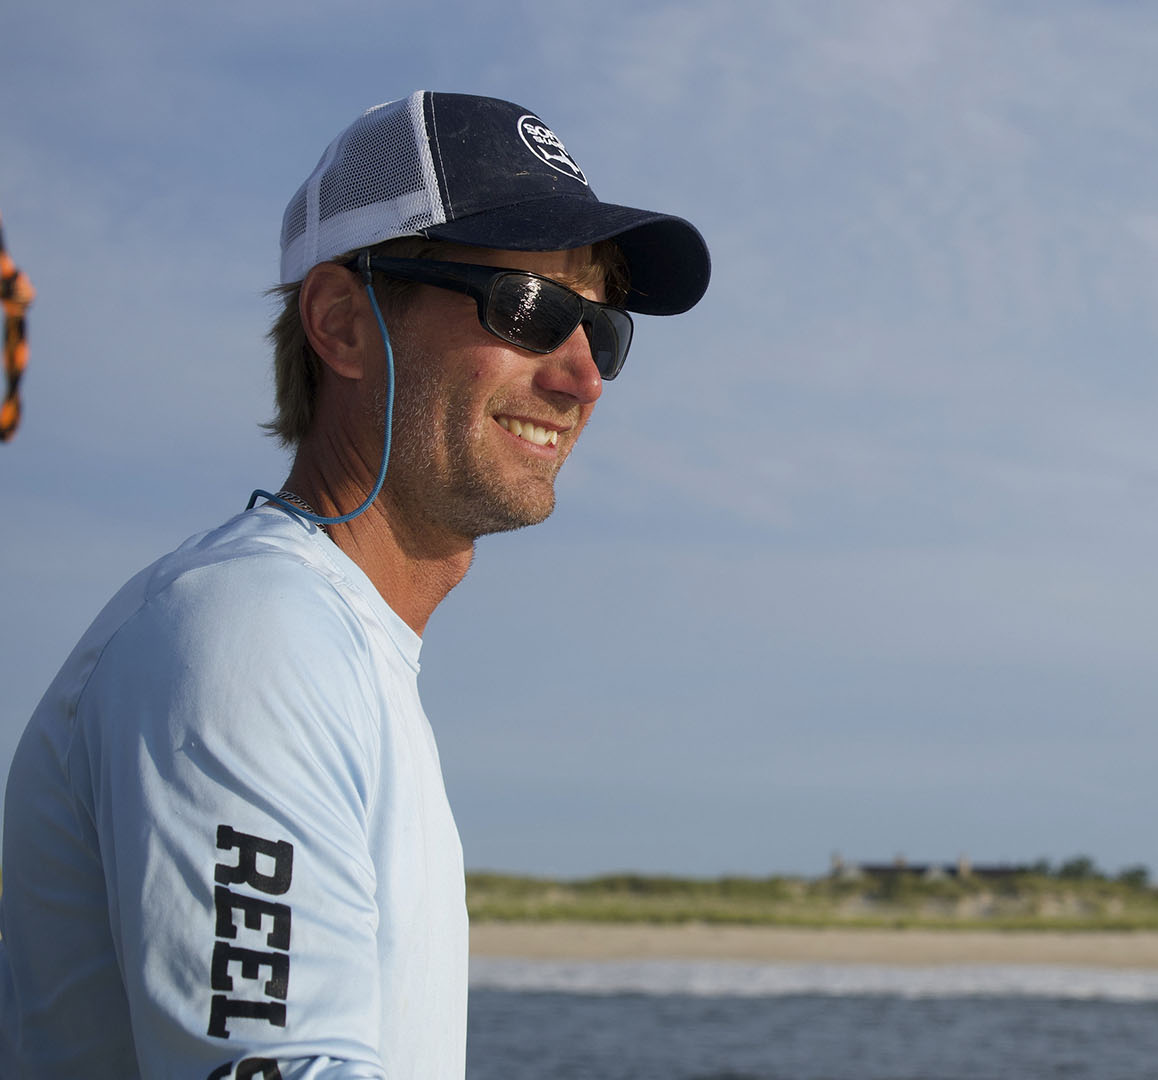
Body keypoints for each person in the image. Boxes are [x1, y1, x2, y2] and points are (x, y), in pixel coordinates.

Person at [0, 91, 709, 1079]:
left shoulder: (332, 646)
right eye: (529, 307)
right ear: (341, 322)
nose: (582, 377)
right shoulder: (253, 637)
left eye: (601, 327)